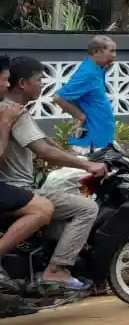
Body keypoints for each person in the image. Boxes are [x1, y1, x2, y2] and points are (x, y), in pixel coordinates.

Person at [0, 57, 106, 291]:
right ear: (23, 84)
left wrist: (75, 157)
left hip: (14, 188)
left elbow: (44, 142)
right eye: (39, 80)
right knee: (87, 208)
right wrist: (88, 166)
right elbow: (44, 151)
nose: (42, 84)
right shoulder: (12, 112)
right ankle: (57, 270)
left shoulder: (13, 110)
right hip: (17, 189)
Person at [0, 56, 56, 296]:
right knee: (43, 208)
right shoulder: (7, 111)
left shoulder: (11, 109)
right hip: (10, 185)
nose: (7, 84)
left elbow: (43, 143)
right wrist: (5, 123)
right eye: (4, 80)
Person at [54, 35, 117, 155]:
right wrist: (80, 116)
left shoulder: (97, 69)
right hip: (91, 142)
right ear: (96, 51)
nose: (114, 55)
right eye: (111, 51)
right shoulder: (88, 72)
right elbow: (59, 97)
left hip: (100, 138)